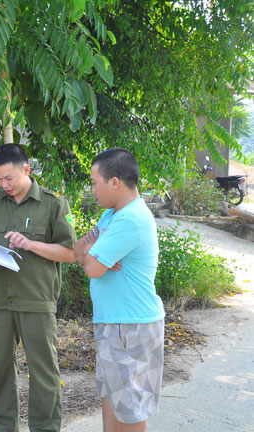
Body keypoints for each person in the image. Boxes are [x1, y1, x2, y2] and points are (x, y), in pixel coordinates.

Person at [0, 143, 76, 432]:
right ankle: (4, 426)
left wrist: (30, 244)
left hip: (35, 298)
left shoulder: (54, 204)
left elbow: (70, 253)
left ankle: (45, 427)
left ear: (26, 170)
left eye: (9, 178)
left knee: (43, 370)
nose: (3, 185)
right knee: (2, 368)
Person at [73, 148, 165, 432]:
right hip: (115, 322)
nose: (92, 189)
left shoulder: (130, 220)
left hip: (132, 326)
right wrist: (92, 251)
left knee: (130, 408)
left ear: (114, 182)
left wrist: (93, 254)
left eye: (94, 181)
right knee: (111, 398)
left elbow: (91, 268)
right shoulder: (112, 215)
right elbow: (80, 252)